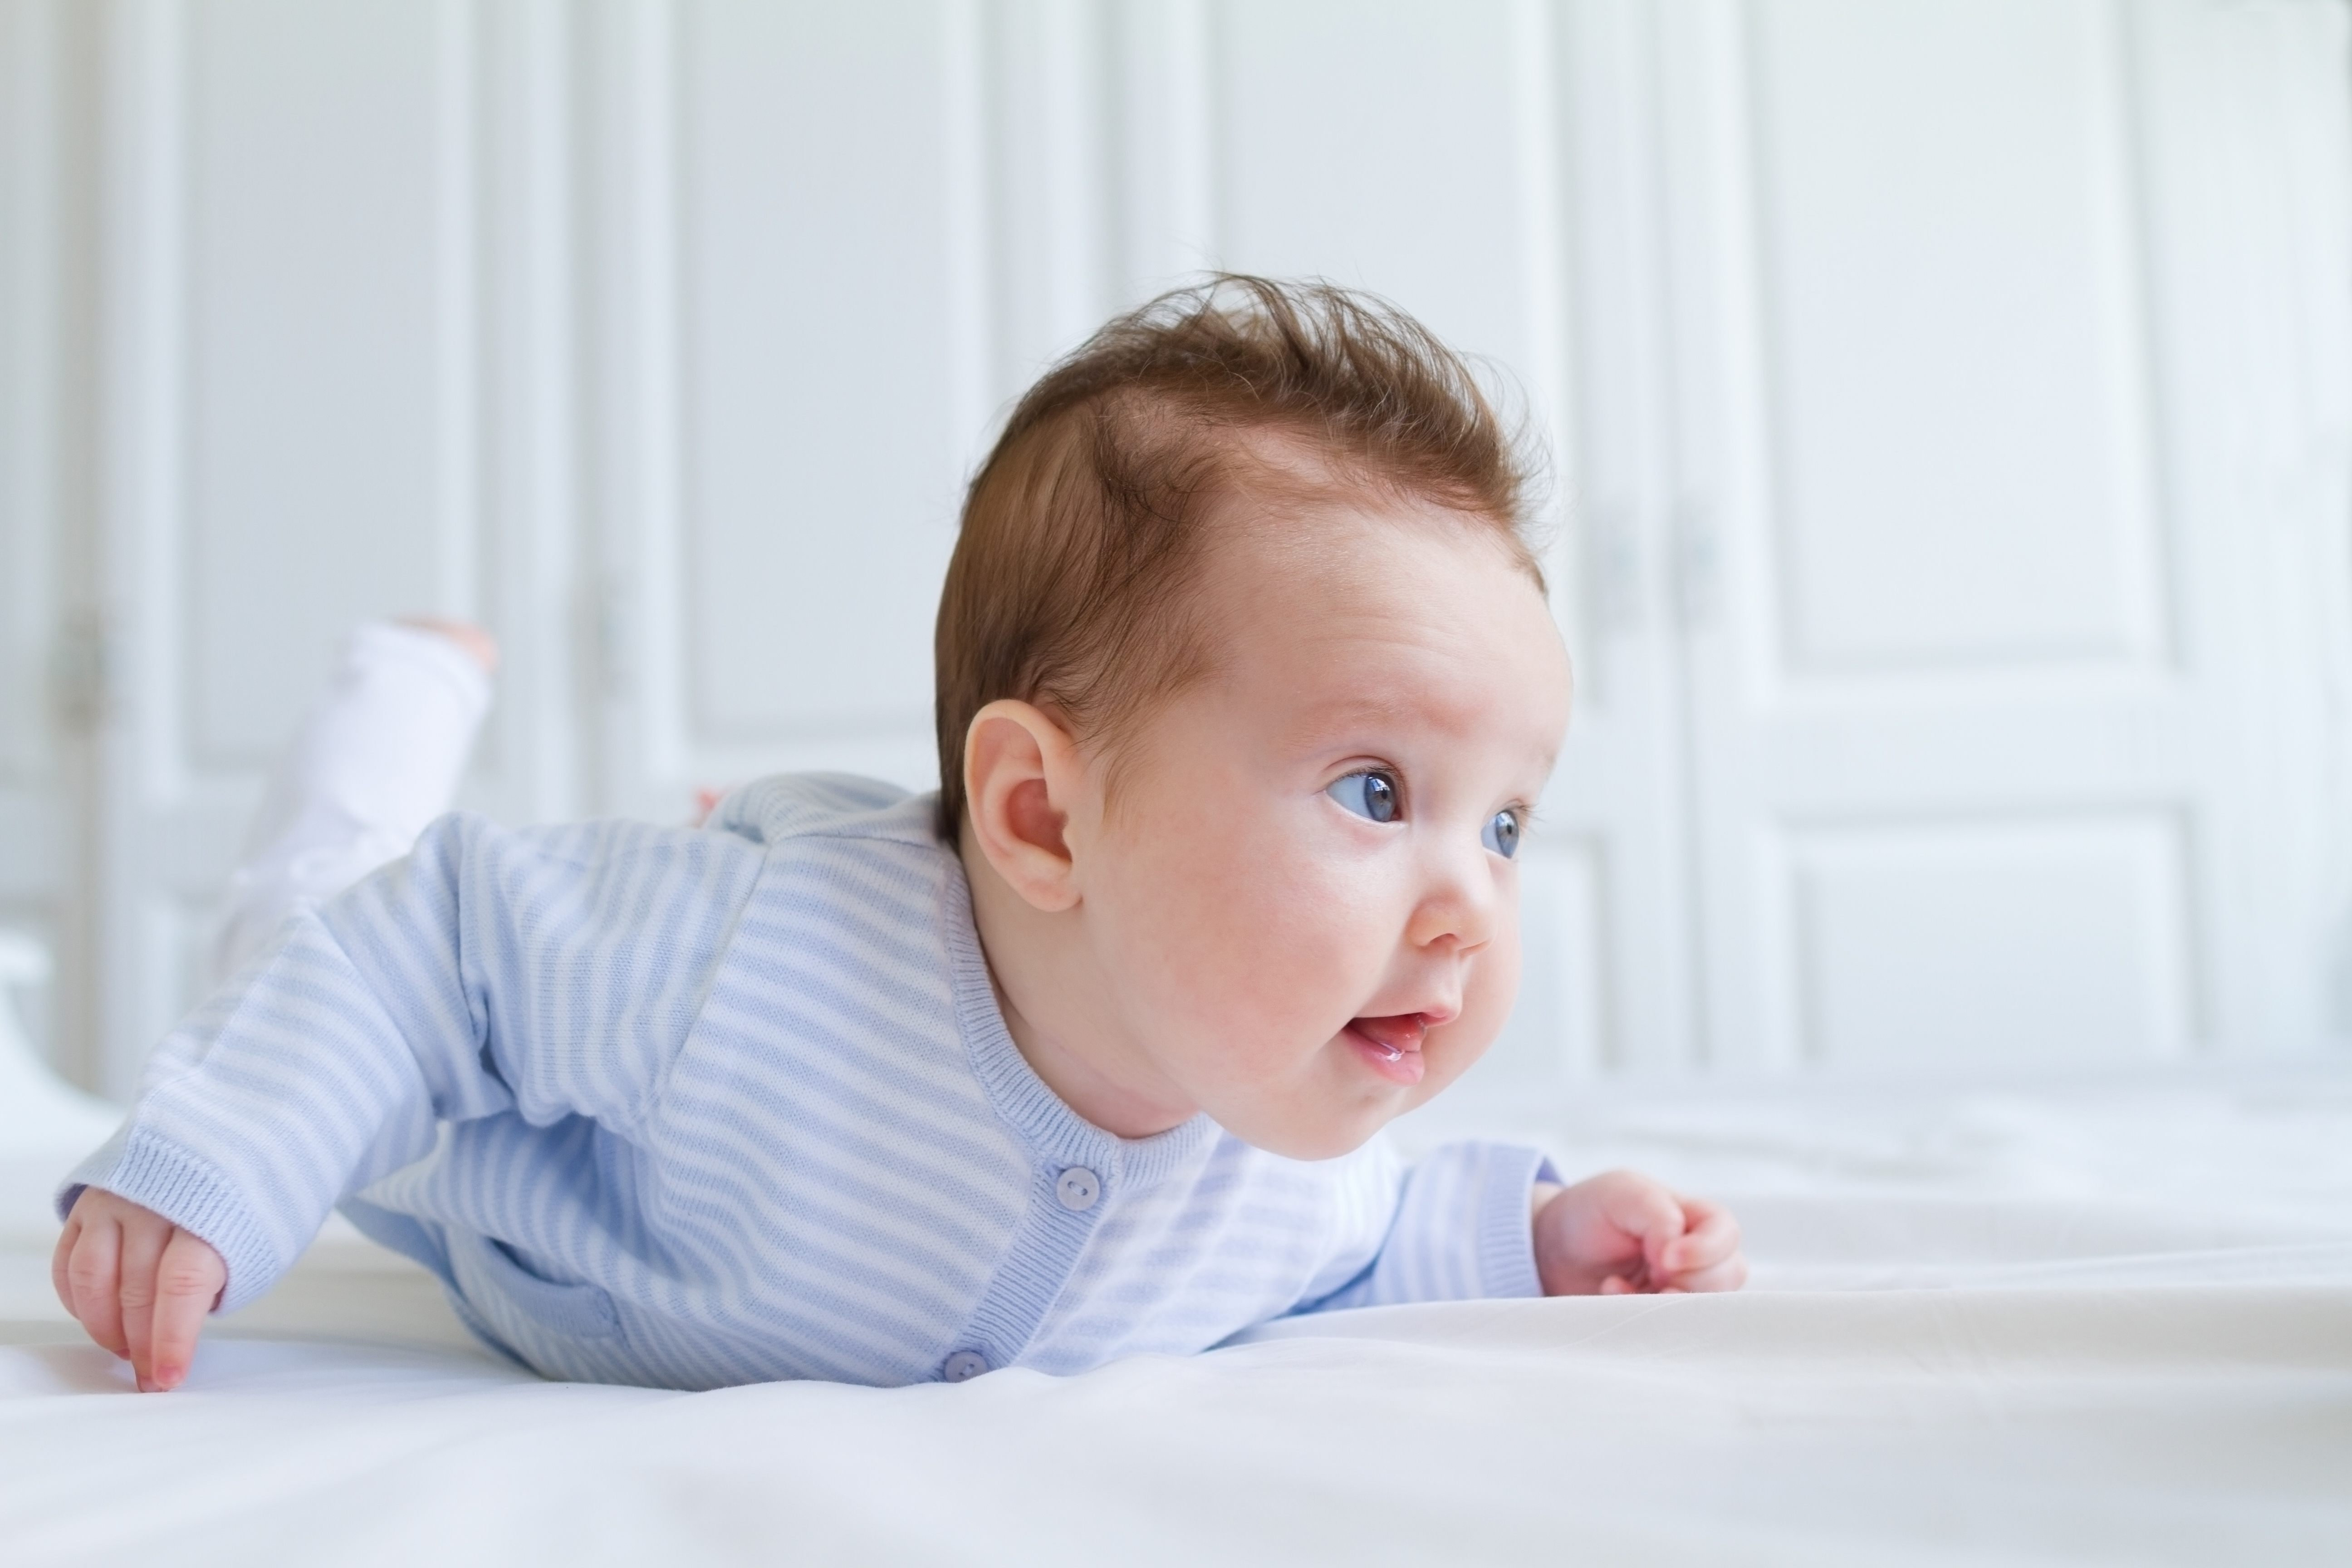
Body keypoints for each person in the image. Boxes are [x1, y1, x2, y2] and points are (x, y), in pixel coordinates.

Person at [52, 277, 1747, 1395]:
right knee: (306, 912)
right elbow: (426, 953)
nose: (1469, 906)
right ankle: (396, 697)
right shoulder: (751, 969)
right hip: (471, 1110)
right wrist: (226, 1171)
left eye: (1505, 820)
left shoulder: (1274, 1146)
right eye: (1378, 792)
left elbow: (1366, 1244)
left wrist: (1534, 1238)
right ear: (1041, 815)